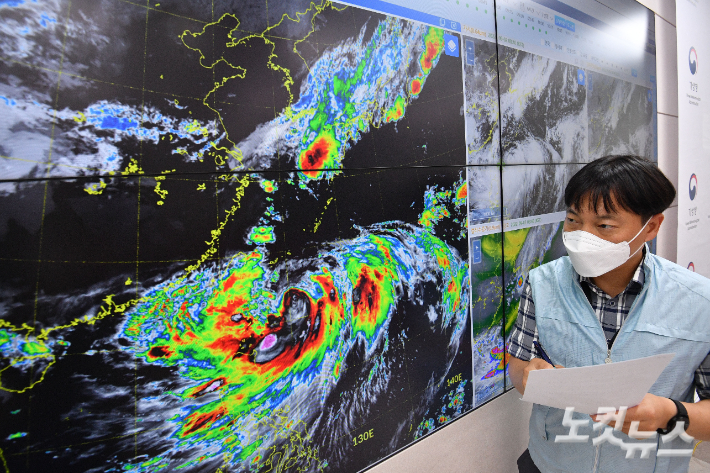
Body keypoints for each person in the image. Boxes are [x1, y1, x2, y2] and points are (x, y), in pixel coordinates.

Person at [507, 155, 710, 473]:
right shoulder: (542, 283)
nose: (582, 236)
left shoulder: (700, 302)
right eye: (573, 220)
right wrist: (527, 375)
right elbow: (519, 365)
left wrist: (669, 414)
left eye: (604, 225)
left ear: (651, 227)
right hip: (549, 463)